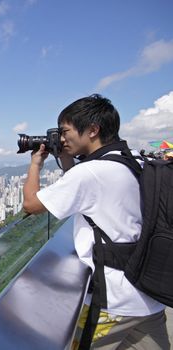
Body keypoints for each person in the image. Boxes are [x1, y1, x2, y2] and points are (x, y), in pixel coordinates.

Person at [22, 94, 170, 349]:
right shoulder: (133, 158)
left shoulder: (90, 172)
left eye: (65, 131)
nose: (62, 138)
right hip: (149, 297)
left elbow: (31, 205)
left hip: (112, 303)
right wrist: (67, 159)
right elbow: (97, 193)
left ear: (92, 129)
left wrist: (36, 163)